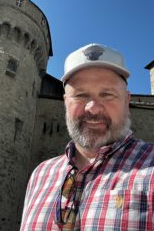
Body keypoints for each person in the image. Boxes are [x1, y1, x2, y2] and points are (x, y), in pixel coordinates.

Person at [20, 43, 154, 231]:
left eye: (107, 94)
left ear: (127, 101)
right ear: (65, 102)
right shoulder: (40, 175)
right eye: (81, 95)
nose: (92, 108)